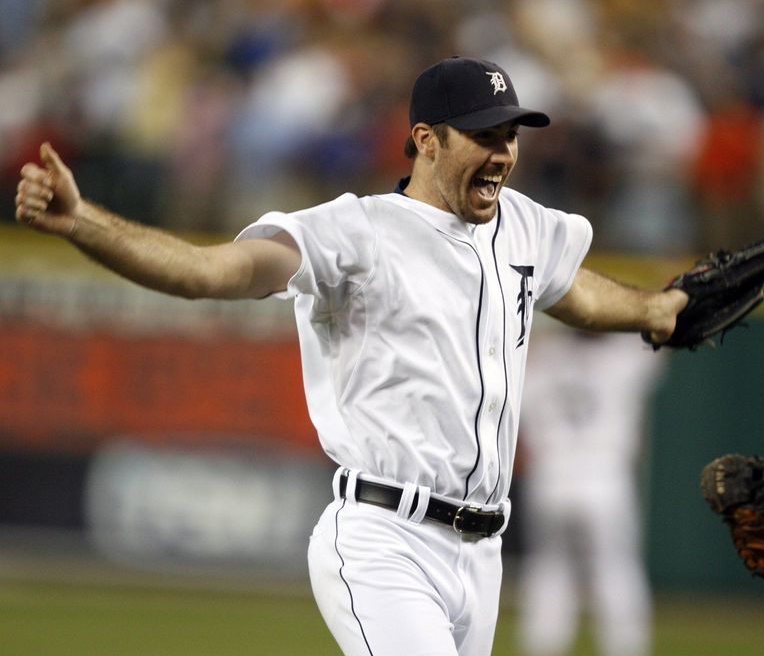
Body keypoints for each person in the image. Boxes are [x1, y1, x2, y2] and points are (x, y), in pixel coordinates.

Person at [15, 56, 688, 656]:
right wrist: (85, 223)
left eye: (510, 135)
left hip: (482, 555)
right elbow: (208, 271)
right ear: (426, 139)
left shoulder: (523, 225)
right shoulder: (355, 231)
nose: (503, 152)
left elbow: (575, 291)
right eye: (484, 135)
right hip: (385, 540)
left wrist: (654, 309)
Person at [516, 326, 666, 656]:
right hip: (605, 483)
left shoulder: (544, 358)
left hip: (549, 482)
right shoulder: (624, 357)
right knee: (616, 573)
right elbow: (660, 337)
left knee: (548, 572)